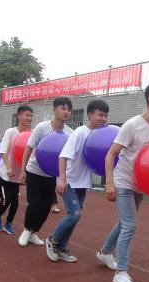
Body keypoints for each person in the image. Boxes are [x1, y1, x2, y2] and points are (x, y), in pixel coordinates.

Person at [98, 82, 149, 282]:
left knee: (123, 223)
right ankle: (120, 272)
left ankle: (104, 252)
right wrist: (109, 183)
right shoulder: (132, 125)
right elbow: (111, 154)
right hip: (124, 182)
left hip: (141, 185)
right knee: (130, 224)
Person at [45, 100, 109, 263]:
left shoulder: (99, 136)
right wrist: (62, 180)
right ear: (90, 115)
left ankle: (61, 247)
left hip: (83, 183)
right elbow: (63, 156)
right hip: (70, 181)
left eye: (106, 116)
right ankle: (52, 240)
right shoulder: (80, 132)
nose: (103, 119)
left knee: (75, 216)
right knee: (74, 215)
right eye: (100, 115)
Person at [18, 96, 74, 247]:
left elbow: (68, 158)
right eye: (63, 108)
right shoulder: (42, 127)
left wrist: (62, 178)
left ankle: (34, 232)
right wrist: (23, 170)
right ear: (54, 109)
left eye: (69, 110)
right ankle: (26, 230)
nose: (66, 112)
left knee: (46, 206)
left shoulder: (70, 133)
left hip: (51, 174)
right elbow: (29, 148)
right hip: (34, 171)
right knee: (34, 203)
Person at [0, 105, 33, 234]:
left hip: (17, 175)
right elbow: (3, 151)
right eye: (27, 115)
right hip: (4, 173)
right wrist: (8, 167)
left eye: (31, 116)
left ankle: (8, 223)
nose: (29, 118)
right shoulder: (10, 132)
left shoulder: (31, 135)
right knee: (6, 200)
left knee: (15, 203)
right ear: (19, 116)